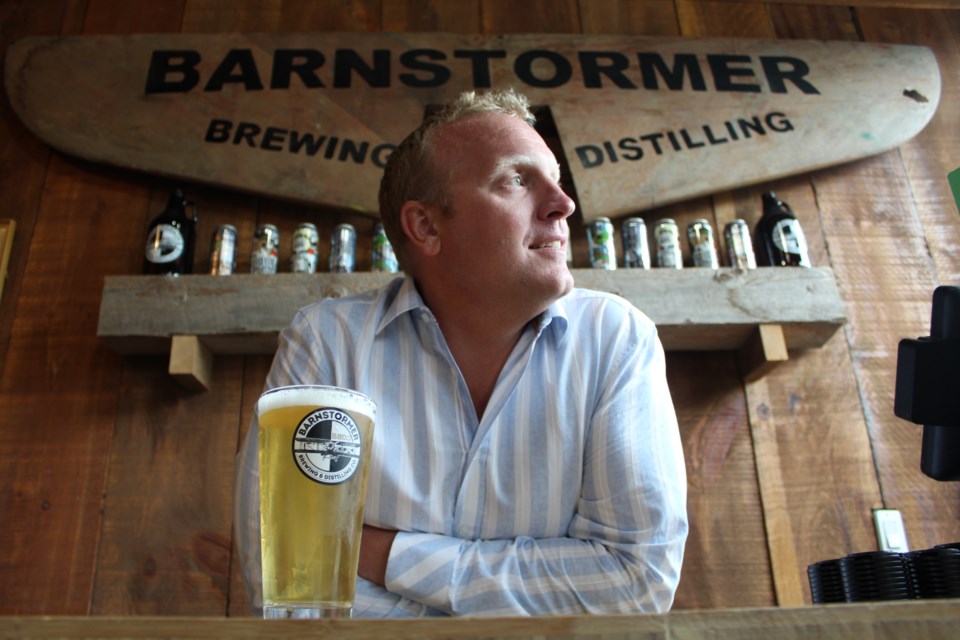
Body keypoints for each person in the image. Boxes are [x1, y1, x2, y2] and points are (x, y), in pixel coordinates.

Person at [235, 88, 688, 617]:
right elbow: (289, 585)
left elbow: (635, 582)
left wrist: (384, 553)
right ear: (426, 226)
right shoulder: (329, 340)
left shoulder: (617, 337)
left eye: (556, 181)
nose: (564, 204)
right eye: (517, 180)